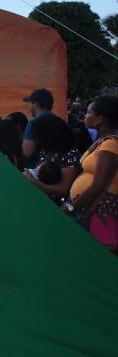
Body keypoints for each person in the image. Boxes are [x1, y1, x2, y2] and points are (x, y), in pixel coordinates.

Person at [69, 96, 118, 251]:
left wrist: (72, 207)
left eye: (89, 112)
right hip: (89, 207)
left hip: (100, 210)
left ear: (100, 119)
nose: (85, 115)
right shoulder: (102, 141)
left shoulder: (110, 144)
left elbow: (98, 186)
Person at [23, 114, 80, 206]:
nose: (36, 139)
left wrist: (34, 182)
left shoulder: (70, 154)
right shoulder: (47, 152)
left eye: (38, 135)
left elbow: (63, 189)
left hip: (62, 208)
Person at [22, 88, 56, 166]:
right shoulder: (58, 121)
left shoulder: (34, 123)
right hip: (53, 170)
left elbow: (26, 153)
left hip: (35, 171)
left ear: (35, 104)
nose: (29, 107)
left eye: (30, 103)